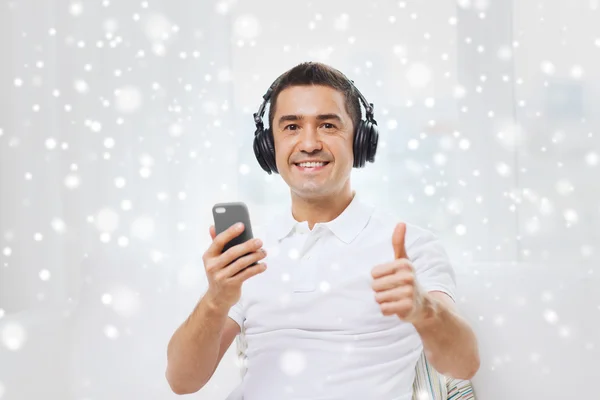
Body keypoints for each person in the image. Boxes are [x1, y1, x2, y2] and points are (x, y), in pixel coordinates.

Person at [165, 61, 480, 399]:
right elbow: (183, 381)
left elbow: (463, 364)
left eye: (328, 125)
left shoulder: (410, 246)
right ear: (269, 145)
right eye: (291, 127)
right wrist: (216, 300)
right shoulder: (251, 253)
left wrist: (423, 310)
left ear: (360, 141)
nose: (309, 143)